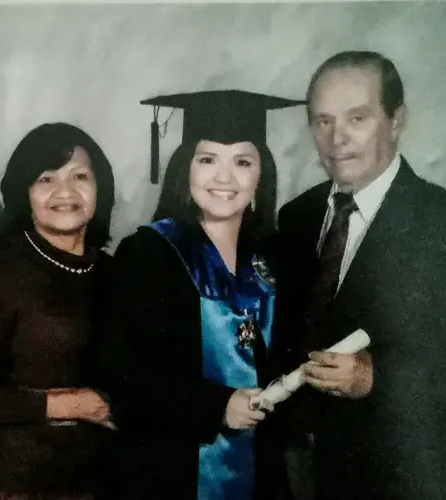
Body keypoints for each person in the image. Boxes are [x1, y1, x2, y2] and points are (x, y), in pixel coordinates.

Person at [100, 90, 303, 500]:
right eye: (207, 159)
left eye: (243, 162)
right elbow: (121, 378)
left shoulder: (281, 258)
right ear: (184, 170)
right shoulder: (148, 254)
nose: (224, 179)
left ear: (261, 177)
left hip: (262, 475)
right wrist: (217, 406)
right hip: (168, 473)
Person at [272, 50, 446, 499]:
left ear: (396, 120)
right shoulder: (297, 216)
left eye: (357, 118)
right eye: (322, 121)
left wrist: (379, 378)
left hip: (396, 478)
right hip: (295, 472)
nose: (337, 139)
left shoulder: (443, 222)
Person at [0, 122, 117, 500]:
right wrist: (72, 404)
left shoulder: (117, 274)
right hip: (16, 484)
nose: (65, 192)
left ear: (100, 187)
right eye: (46, 179)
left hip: (103, 480)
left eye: (80, 176)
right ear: (25, 193)